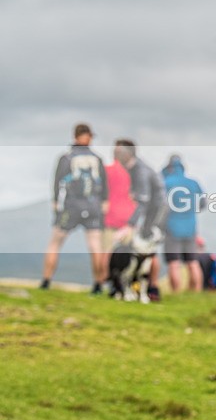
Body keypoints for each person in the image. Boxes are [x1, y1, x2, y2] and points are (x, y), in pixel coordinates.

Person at [41, 123, 108, 294]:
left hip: (71, 207)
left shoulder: (66, 158)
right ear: (89, 137)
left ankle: (46, 281)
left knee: (55, 243)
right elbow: (104, 186)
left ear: (75, 136)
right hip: (93, 206)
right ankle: (98, 284)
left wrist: (56, 203)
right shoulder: (98, 159)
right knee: (95, 245)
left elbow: (57, 182)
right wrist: (103, 203)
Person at [114, 139, 167, 301]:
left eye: (118, 152)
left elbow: (144, 200)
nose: (115, 155)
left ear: (128, 154)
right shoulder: (134, 168)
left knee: (147, 250)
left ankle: (152, 288)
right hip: (153, 212)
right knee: (145, 250)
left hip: (155, 213)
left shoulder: (140, 170)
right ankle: (141, 287)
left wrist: (130, 225)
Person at [161, 155, 206, 292]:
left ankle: (176, 293)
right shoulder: (193, 183)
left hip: (171, 227)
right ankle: (196, 292)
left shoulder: (166, 183)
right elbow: (202, 203)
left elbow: (160, 204)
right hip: (190, 228)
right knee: (193, 261)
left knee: (174, 263)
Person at [98, 143, 137, 287]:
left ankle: (103, 282)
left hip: (109, 217)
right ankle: (124, 284)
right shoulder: (131, 173)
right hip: (128, 218)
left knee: (106, 252)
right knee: (129, 254)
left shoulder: (106, 171)